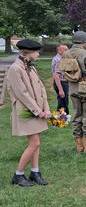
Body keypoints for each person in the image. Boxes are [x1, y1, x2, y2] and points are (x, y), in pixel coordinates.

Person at [6, 39, 51, 187]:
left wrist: (46, 109)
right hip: (25, 111)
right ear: (27, 53)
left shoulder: (31, 68)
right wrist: (38, 111)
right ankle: (18, 175)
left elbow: (42, 89)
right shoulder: (15, 69)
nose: (38, 54)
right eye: (36, 52)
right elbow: (22, 94)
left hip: (37, 111)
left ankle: (35, 172)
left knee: (36, 144)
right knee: (35, 143)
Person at [51, 44, 69, 114]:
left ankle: (64, 118)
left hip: (62, 82)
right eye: (66, 50)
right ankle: (60, 119)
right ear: (59, 50)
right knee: (62, 102)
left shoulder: (60, 58)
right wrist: (61, 90)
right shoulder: (59, 60)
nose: (68, 51)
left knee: (64, 101)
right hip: (61, 83)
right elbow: (56, 75)